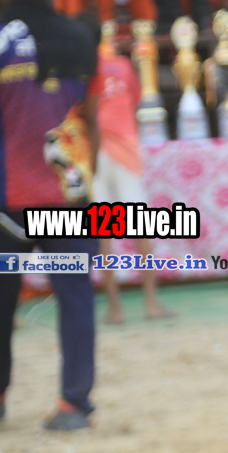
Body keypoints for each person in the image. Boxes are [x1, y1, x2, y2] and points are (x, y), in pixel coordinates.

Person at [0, 0, 102, 431]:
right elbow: (91, 121)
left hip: (5, 199)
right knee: (75, 297)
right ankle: (74, 403)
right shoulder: (79, 36)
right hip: (68, 194)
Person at [91, 29, 173, 324]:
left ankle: (115, 309)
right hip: (125, 148)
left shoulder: (84, 67)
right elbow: (137, 99)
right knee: (140, 228)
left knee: (102, 232)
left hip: (95, 148)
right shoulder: (124, 66)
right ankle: (151, 302)